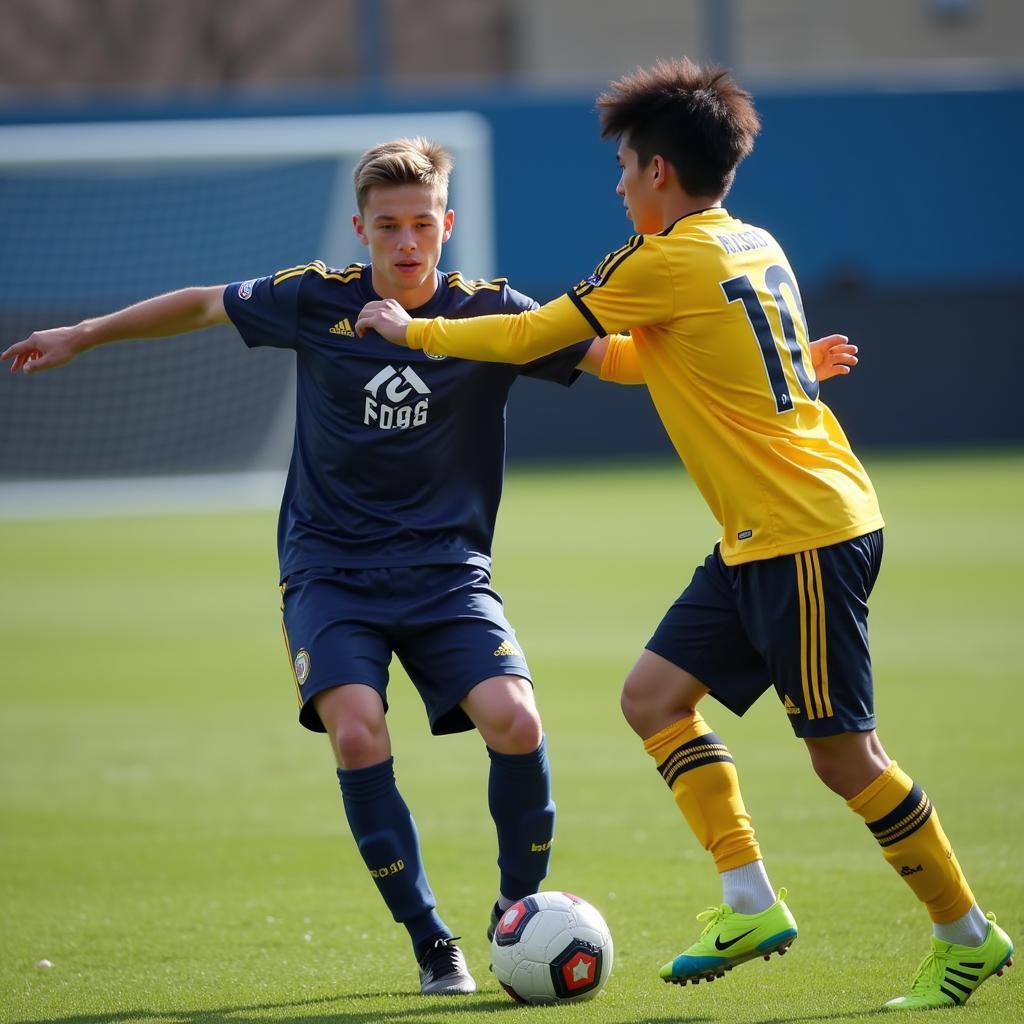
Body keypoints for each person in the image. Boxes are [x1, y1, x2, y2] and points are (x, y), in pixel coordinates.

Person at [3, 136, 854, 999]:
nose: (405, 242)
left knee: (516, 721)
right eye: (387, 227)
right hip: (330, 570)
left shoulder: (494, 313)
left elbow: (620, 361)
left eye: (420, 224)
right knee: (358, 730)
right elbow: (202, 306)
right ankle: (431, 941)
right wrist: (84, 332)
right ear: (360, 229)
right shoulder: (314, 300)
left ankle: (517, 916)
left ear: (446, 224)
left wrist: (772, 367)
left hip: (448, 573)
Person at [353, 65, 1014, 1012]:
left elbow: (537, 333)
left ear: (659, 170)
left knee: (843, 758)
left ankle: (967, 935)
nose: (618, 184)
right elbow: (628, 356)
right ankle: (747, 898)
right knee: (653, 699)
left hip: (804, 535)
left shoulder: (659, 258)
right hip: (764, 533)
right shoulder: (751, 242)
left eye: (625, 166)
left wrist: (412, 332)